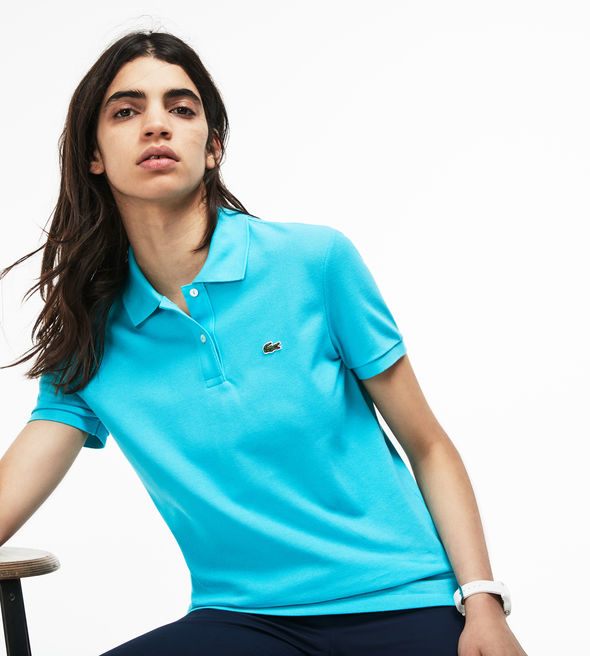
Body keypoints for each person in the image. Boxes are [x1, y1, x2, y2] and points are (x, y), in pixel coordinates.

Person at [0, 29, 528, 656]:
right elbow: (16, 487)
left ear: (213, 146)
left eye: (181, 108)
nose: (156, 125)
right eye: (125, 111)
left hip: (401, 600)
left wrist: (483, 601)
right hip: (244, 620)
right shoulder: (90, 332)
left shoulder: (315, 262)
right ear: (94, 155)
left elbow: (428, 444)